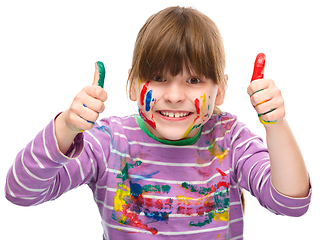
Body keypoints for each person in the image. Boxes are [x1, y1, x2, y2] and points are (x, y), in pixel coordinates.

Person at [5, 6, 311, 240]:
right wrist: (66, 128)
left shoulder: (229, 138)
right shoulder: (108, 141)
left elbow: (290, 204)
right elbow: (21, 192)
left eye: (193, 80)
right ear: (132, 86)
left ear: (221, 91)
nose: (175, 96)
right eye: (160, 78)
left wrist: (276, 124)